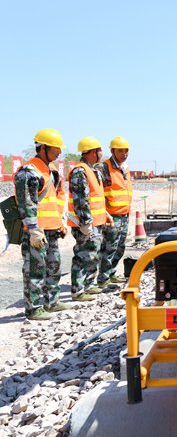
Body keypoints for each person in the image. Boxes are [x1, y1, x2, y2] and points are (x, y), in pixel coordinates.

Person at [14, 129, 71, 320]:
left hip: (53, 229)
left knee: (53, 267)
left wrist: (61, 222)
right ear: (44, 147)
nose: (59, 152)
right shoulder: (28, 171)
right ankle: (34, 307)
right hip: (36, 231)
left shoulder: (52, 171)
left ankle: (51, 301)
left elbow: (56, 199)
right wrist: (33, 230)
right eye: (56, 148)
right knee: (35, 269)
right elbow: (26, 203)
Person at [68, 137, 112, 301]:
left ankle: (89, 284)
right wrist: (85, 222)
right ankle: (78, 290)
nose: (101, 153)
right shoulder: (80, 171)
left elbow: (95, 198)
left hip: (96, 221)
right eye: (99, 150)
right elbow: (81, 200)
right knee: (82, 255)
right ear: (93, 152)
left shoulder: (93, 170)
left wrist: (104, 214)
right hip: (86, 223)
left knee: (93, 254)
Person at [97, 137, 132, 285]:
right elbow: (98, 192)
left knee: (120, 247)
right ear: (112, 151)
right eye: (120, 151)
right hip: (112, 215)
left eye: (126, 151)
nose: (124, 154)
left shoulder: (125, 168)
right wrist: (105, 213)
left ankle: (111, 273)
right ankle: (103, 278)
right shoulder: (104, 168)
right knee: (109, 247)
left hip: (124, 214)